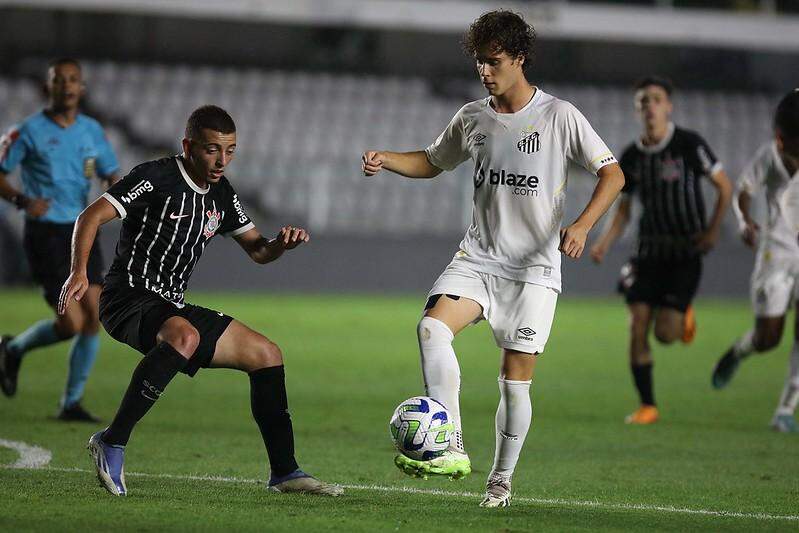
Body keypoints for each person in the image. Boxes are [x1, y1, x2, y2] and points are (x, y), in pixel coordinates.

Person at [361, 10, 625, 507]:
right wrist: (386, 158)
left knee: (514, 383)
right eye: (480, 62)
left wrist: (584, 225)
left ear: (519, 58)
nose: (485, 71)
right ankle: (451, 445)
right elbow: (432, 162)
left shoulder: (559, 116)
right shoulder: (472, 117)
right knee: (431, 328)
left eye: (494, 61)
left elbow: (613, 175)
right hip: (479, 258)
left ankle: (500, 480)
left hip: (534, 271)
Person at [58, 105, 342, 496]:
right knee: (184, 337)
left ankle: (285, 472)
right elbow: (89, 217)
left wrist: (280, 244)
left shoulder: (222, 194)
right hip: (127, 296)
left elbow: (258, 250)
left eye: (230, 151)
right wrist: (79, 273)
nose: (222, 160)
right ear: (188, 146)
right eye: (212, 150)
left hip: (171, 304)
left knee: (266, 353)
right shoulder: (154, 177)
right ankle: (112, 441)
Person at [590, 76, 732, 425]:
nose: (649, 106)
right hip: (647, 254)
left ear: (668, 106)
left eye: (655, 99)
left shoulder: (688, 144)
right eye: (643, 101)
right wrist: (604, 244)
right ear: (637, 109)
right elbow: (623, 209)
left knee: (665, 334)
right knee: (636, 324)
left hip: (685, 253)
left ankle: (682, 314)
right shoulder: (632, 157)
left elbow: (724, 188)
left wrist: (713, 231)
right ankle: (647, 405)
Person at [0, 58, 120, 421]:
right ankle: (14, 349)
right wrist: (21, 200)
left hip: (82, 229)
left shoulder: (92, 132)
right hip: (47, 235)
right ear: (47, 88)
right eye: (59, 80)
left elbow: (109, 172)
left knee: (94, 317)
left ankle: (71, 403)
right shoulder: (27, 132)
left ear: (81, 88)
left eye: (73, 80)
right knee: (71, 323)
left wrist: (110, 188)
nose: (67, 86)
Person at [711, 89, 799, 433]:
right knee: (769, 338)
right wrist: (745, 221)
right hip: (775, 251)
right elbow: (744, 190)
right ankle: (739, 351)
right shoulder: (770, 156)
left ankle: (786, 409)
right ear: (781, 140)